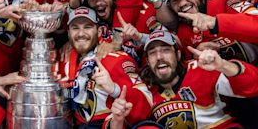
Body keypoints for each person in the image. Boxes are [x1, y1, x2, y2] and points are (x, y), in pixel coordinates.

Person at [109, 30, 258, 129]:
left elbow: (253, 85)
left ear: (178, 55)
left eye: (166, 50)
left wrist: (223, 66)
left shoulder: (202, 69)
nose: (159, 57)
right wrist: (117, 119)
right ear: (148, 61)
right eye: (153, 53)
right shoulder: (143, 90)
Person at [56, 6, 150, 127]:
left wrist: (115, 89)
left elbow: (147, 103)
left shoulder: (115, 58)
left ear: (99, 31)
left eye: (87, 27)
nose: (81, 33)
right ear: (68, 33)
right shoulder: (64, 60)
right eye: (75, 28)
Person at [164, 0, 258, 63]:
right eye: (175, 1)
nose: (182, 3)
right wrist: (195, 57)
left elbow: (256, 23)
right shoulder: (183, 32)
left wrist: (216, 23)